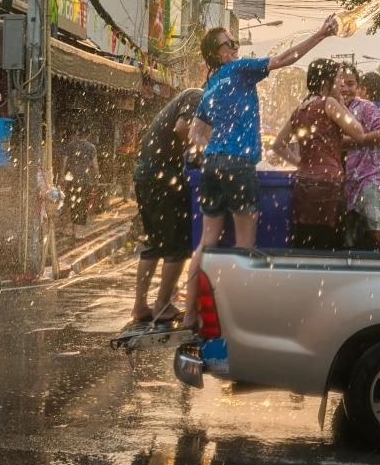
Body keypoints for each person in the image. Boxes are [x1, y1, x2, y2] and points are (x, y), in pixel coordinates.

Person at [182, 16, 339, 330]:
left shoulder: (210, 85)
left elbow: (195, 135)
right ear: (219, 52)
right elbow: (285, 59)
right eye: (231, 44)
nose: (237, 48)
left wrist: (218, 143)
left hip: (213, 166)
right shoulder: (239, 70)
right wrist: (321, 34)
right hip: (239, 166)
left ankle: (189, 315)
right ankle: (241, 321)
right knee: (245, 247)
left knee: (206, 242)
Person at [272, 59, 364, 249]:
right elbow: (358, 132)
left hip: (303, 181)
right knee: (330, 240)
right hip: (329, 183)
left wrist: (301, 163)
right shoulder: (328, 103)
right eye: (338, 78)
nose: (341, 84)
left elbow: (278, 145)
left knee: (307, 238)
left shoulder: (300, 109)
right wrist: (340, 102)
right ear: (325, 82)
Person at [129, 87, 203, 325]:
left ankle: (140, 305)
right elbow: (183, 128)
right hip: (162, 175)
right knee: (178, 244)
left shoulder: (191, 97)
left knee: (155, 242)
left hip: (149, 173)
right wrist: (199, 151)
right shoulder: (197, 96)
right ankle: (163, 305)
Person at [339, 65, 380, 249]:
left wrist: (355, 139)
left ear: (358, 87)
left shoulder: (365, 107)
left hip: (369, 176)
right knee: (347, 236)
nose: (345, 88)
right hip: (343, 183)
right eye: (340, 83)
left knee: (373, 221)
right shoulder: (328, 108)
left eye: (350, 83)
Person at [61, 126, 100, 232]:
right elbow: (95, 165)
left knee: (68, 203)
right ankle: (77, 231)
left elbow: (64, 163)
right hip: (84, 181)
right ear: (88, 135)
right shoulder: (91, 147)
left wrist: (62, 178)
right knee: (81, 205)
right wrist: (97, 179)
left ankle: (64, 229)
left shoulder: (70, 145)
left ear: (77, 133)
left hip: (70, 179)